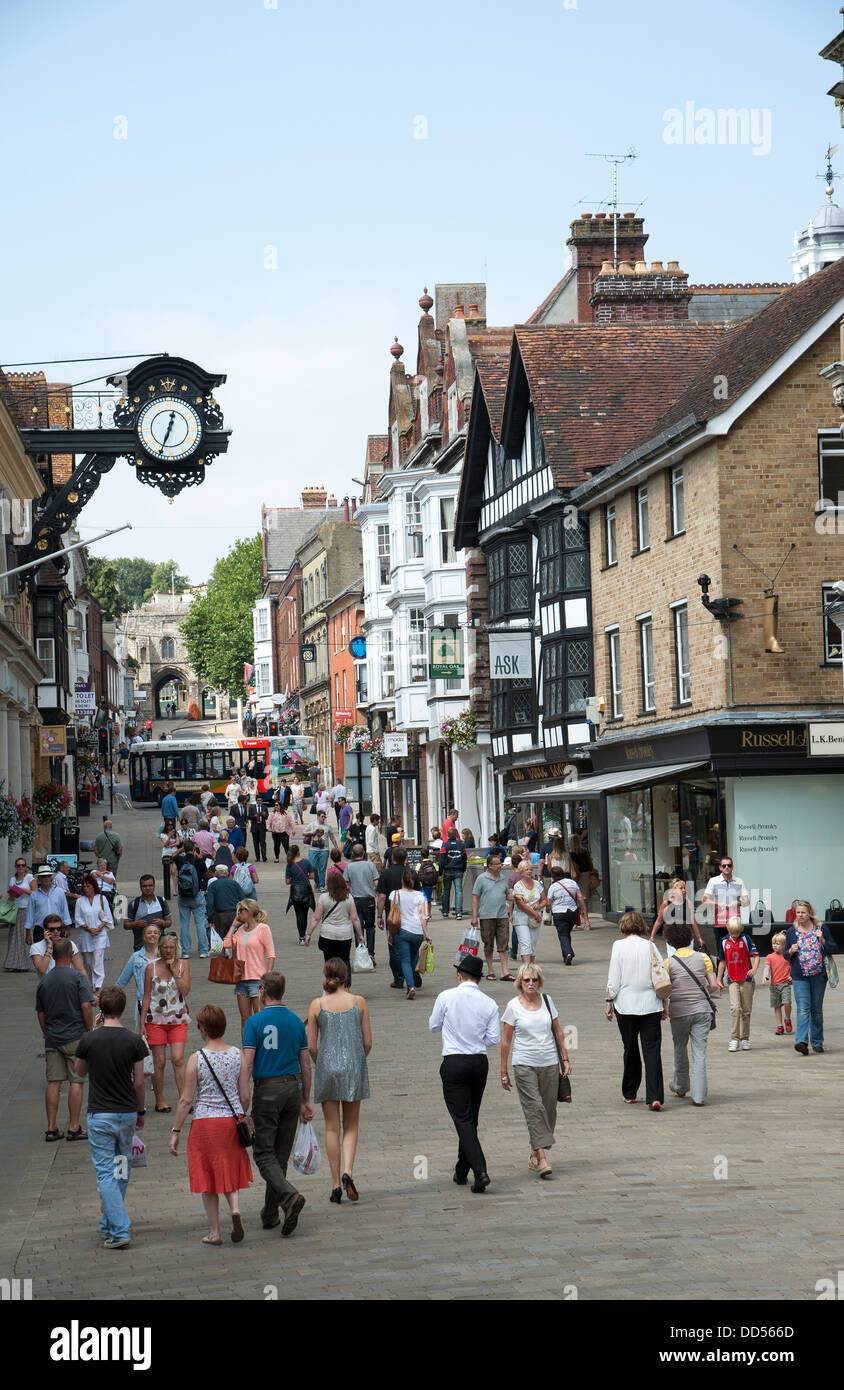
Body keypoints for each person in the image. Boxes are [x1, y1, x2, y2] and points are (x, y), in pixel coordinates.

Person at [169, 1003, 252, 1245]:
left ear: (203, 1029)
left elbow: (186, 1099)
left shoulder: (197, 1058)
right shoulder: (237, 1054)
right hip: (231, 1121)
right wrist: (240, 1112)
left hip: (205, 1123)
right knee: (228, 1169)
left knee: (208, 1178)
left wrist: (175, 1131)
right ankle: (235, 1209)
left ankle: (215, 1232)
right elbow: (245, 1096)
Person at [74, 984, 147, 1248]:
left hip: (100, 1113)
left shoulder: (89, 1040)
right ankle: (110, 1223)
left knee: (105, 1173)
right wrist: (141, 1112)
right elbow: (139, 1083)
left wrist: (91, 1035)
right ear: (123, 1008)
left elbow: (80, 1072)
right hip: (126, 1112)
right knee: (121, 1168)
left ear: (101, 1010)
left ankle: (118, 1229)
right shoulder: (134, 1041)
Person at [239, 972, 312, 1235]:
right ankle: (270, 1213)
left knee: (262, 1153)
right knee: (279, 1155)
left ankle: (290, 1196)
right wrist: (305, 1099)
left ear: (262, 991)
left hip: (267, 1089)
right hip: (293, 1088)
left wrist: (243, 1097)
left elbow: (248, 1062)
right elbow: (306, 1063)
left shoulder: (254, 1022)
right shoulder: (295, 1021)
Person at [429, 953, 500, 1192]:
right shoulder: (489, 1003)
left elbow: (433, 1025)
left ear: (459, 976)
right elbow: (493, 1038)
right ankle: (462, 1170)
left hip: (454, 1061)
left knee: (463, 1119)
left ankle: (480, 1170)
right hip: (479, 1062)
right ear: (478, 979)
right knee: (470, 1118)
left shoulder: (446, 996)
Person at [307, 957, 372, 1204]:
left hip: (327, 1068)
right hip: (353, 1067)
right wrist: (356, 1059)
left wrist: (321, 1062)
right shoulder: (359, 1003)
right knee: (351, 1125)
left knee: (332, 1127)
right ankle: (348, 1172)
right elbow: (367, 1042)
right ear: (347, 976)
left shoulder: (317, 1005)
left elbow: (311, 1045)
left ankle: (335, 1183)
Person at [500, 963, 571, 1177]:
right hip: (524, 1064)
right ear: (520, 983)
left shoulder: (548, 1001)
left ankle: (533, 1150)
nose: (530, 984)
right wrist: (503, 1072)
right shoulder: (513, 1006)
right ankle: (542, 1158)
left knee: (549, 1111)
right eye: (526, 980)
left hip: (549, 1062)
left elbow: (558, 1031)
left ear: (539, 981)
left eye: (534, 980)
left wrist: (565, 1059)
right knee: (534, 1108)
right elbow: (505, 1041)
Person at [605, 910, 666, 1111]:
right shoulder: (650, 946)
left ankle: (630, 1092)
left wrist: (608, 1000)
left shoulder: (618, 946)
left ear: (623, 926)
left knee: (630, 1048)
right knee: (652, 1050)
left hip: (625, 1005)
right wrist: (666, 1003)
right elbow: (662, 976)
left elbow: (614, 978)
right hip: (651, 1004)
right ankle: (655, 1096)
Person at [36, 937, 94, 1141]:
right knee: (76, 1081)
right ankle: (73, 1126)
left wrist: (46, 1032)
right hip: (75, 1035)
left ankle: (51, 1127)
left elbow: (40, 1013)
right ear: (71, 955)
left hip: (53, 1037)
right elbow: (86, 1006)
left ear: (52, 955)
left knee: (53, 1082)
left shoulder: (45, 981)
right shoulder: (78, 978)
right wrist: (90, 1029)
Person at [663, 923, 720, 1106]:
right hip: (702, 1010)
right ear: (690, 939)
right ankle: (699, 1096)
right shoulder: (703, 957)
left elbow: (664, 990)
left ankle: (680, 1086)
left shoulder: (668, 962)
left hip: (679, 1012)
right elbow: (713, 986)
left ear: (670, 941)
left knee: (680, 1049)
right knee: (699, 1053)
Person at [139, 933, 191, 1113]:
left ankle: (185, 1100)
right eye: (165, 947)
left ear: (176, 948)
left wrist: (175, 973)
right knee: (159, 1061)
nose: (168, 951)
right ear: (159, 949)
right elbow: (146, 996)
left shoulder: (183, 965)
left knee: (178, 1058)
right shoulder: (150, 968)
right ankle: (160, 1100)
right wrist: (141, 1023)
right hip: (156, 1019)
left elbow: (186, 991)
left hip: (178, 1018)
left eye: (171, 947)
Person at [785, 901, 837, 1056]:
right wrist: (791, 951)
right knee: (802, 1008)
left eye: (803, 912)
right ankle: (801, 1041)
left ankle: (817, 1041)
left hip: (819, 975)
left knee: (816, 1009)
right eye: (798, 912)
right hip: (800, 976)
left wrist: (823, 940)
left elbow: (834, 948)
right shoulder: (791, 932)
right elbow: (785, 955)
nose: (800, 915)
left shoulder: (821, 929)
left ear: (810, 913)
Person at [223, 900, 276, 1033]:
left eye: (242, 910)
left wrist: (268, 976)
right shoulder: (240, 930)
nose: (239, 913)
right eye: (238, 911)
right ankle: (247, 1050)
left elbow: (271, 954)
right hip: (241, 980)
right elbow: (226, 945)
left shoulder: (263, 929)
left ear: (250, 911)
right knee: (245, 1019)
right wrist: (233, 926)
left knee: (260, 1018)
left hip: (258, 979)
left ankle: (261, 1050)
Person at [376, 847, 421, 989]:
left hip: (394, 917)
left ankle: (399, 978)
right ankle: (412, 972)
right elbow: (419, 895)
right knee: (413, 949)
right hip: (413, 917)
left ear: (392, 858)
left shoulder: (386, 874)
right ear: (406, 858)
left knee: (394, 948)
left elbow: (382, 897)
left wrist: (379, 916)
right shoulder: (412, 873)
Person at [305, 872, 364, 979]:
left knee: (329, 963)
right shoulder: (349, 898)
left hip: (327, 935)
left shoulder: (323, 898)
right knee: (344, 961)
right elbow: (355, 918)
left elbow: (316, 918)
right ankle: (344, 985)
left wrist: (308, 934)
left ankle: (331, 984)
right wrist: (360, 934)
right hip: (344, 935)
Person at [716, 916, 760, 1052]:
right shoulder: (724, 942)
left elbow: (756, 956)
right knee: (735, 1009)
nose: (734, 935)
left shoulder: (746, 939)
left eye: (736, 932)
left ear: (740, 930)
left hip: (746, 979)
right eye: (731, 932)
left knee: (746, 1011)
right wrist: (719, 978)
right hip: (732, 979)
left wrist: (754, 969)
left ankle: (745, 1038)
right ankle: (734, 1038)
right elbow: (722, 961)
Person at [386, 866, 431, 999]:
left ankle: (410, 986)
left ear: (402, 880)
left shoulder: (394, 894)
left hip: (401, 931)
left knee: (405, 960)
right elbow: (423, 917)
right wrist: (426, 934)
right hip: (417, 931)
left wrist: (390, 933)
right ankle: (413, 979)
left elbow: (391, 915)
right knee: (413, 957)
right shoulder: (420, 896)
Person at [471, 851, 515, 982]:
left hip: (502, 915)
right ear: (489, 866)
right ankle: (490, 970)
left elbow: (507, 895)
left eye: (500, 863)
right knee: (488, 944)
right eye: (497, 864)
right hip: (486, 916)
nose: (500, 866)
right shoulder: (481, 879)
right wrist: (474, 917)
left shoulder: (503, 878)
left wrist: (516, 896)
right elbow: (475, 898)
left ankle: (504, 971)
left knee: (504, 943)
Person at [75, 872, 114, 996]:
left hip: (100, 934)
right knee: (87, 962)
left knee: (98, 959)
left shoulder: (101, 898)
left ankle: (98, 986)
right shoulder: (80, 901)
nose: (86, 889)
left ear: (93, 886)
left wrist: (99, 928)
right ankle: (90, 984)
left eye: (88, 886)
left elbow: (107, 916)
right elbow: (78, 918)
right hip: (86, 935)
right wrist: (88, 928)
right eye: (84, 886)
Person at [702, 856, 749, 954]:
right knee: (721, 950)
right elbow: (705, 900)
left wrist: (738, 902)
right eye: (724, 865)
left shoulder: (739, 881)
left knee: (737, 949)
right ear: (720, 868)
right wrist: (718, 903)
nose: (727, 867)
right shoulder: (713, 881)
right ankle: (721, 970)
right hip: (719, 920)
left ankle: (736, 969)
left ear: (732, 867)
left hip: (734, 922)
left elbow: (747, 901)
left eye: (729, 865)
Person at [116, 922, 161, 1024]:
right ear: (144, 937)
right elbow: (121, 982)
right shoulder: (136, 957)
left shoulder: (165, 955)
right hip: (144, 1003)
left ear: (159, 936)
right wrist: (107, 999)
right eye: (149, 933)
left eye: (155, 933)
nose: (153, 935)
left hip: (163, 1002)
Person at [172, 841, 210, 959]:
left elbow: (172, 856)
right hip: (197, 895)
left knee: (184, 924)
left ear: (184, 849)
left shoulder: (179, 860)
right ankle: (203, 950)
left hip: (183, 896)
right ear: (194, 848)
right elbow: (206, 874)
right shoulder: (199, 861)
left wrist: (181, 849)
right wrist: (197, 852)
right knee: (200, 923)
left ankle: (185, 951)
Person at [546, 864, 589, 966]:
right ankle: (565, 956)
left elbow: (548, 902)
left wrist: (548, 910)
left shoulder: (553, 887)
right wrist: (584, 914)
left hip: (559, 913)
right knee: (566, 933)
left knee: (563, 934)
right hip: (572, 912)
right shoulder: (572, 883)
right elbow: (580, 898)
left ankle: (568, 953)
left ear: (552, 876)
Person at [343, 844, 379, 963]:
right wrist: (372, 890)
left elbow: (346, 885)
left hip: (355, 901)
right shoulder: (370, 865)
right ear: (363, 853)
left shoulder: (349, 867)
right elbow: (377, 883)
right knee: (370, 927)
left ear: (353, 854)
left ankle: (360, 952)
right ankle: (371, 954)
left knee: (357, 927)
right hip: (369, 899)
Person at [650, 878, 704, 952]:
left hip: (687, 938)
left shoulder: (688, 904)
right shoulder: (666, 904)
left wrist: (699, 938)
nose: (684, 890)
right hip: (672, 939)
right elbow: (659, 921)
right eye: (681, 888)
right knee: (674, 961)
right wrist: (652, 936)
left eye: (684, 888)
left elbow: (693, 922)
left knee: (687, 961)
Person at [510, 860, 546, 965]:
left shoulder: (537, 884)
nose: (529, 872)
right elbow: (521, 905)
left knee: (533, 944)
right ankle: (526, 968)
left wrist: (539, 905)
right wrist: (536, 914)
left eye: (530, 869)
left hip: (535, 920)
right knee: (525, 943)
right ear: (521, 872)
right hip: (521, 918)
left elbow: (544, 900)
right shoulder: (518, 886)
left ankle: (531, 966)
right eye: (526, 870)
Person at [25, 866, 72, 942]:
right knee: (40, 952)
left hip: (56, 929)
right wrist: (28, 934)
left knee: (57, 952)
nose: (46, 878)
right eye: (43, 876)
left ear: (51, 877)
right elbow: (30, 915)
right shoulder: (34, 895)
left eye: (48, 876)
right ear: (39, 878)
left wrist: (68, 928)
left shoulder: (59, 892)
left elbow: (65, 910)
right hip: (40, 930)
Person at [4, 854, 34, 971]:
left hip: (26, 909)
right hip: (15, 909)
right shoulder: (13, 879)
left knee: (25, 936)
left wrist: (22, 890)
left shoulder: (30, 878)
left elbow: (35, 893)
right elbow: (11, 897)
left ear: (26, 867)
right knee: (14, 937)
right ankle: (14, 963)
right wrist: (12, 893)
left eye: (23, 865)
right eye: (18, 866)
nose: (20, 867)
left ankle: (26, 964)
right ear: (15, 867)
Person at [762, 931, 793, 1036]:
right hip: (774, 985)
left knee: (787, 1002)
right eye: (773, 943)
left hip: (786, 983)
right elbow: (767, 968)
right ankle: (780, 1026)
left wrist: (791, 976)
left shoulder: (788, 955)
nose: (775, 946)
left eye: (778, 944)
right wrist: (765, 976)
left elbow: (793, 966)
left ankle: (787, 1019)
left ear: (784, 945)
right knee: (777, 1006)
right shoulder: (770, 957)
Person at [285, 844, 315, 944]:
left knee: (299, 915)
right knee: (305, 914)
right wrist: (305, 876)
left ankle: (301, 937)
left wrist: (295, 878)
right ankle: (304, 934)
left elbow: (287, 881)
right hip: (305, 891)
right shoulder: (306, 862)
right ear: (298, 852)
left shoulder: (289, 864)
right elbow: (312, 876)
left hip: (295, 892)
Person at [206, 863, 245, 938]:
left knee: (222, 939)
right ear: (227, 873)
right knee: (236, 938)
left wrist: (210, 918)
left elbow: (210, 904)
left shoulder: (212, 886)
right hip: (235, 915)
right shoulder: (234, 884)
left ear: (216, 874)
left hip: (220, 917)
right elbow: (243, 899)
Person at [439, 827, 467, 919]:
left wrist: (440, 872)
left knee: (446, 891)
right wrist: (463, 868)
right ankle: (458, 912)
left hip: (447, 870)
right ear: (456, 835)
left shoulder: (444, 845)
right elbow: (464, 858)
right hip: (458, 870)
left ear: (447, 835)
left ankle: (446, 912)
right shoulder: (461, 845)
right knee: (459, 891)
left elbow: (442, 859)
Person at [418, 849, 439, 921]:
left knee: (425, 899)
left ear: (421, 855)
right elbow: (437, 872)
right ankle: (429, 914)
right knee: (428, 899)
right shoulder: (433, 864)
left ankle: (426, 914)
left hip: (423, 885)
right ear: (428, 855)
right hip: (431, 884)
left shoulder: (419, 864)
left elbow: (416, 873)